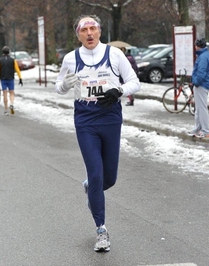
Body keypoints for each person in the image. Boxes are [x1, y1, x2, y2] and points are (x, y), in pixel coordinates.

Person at [55, 14, 140, 252]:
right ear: (78, 34)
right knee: (95, 173)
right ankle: (101, 230)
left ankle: (91, 187)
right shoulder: (71, 59)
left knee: (108, 179)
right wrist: (66, 84)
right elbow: (59, 87)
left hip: (111, 118)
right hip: (85, 120)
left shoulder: (114, 54)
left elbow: (135, 81)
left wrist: (119, 91)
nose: (89, 33)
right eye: (84, 30)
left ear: (100, 32)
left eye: (93, 29)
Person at [187, 38, 209, 138]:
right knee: (199, 108)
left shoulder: (202, 57)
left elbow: (201, 72)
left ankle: (206, 131)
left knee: (201, 108)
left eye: (195, 45)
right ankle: (198, 128)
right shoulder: (207, 55)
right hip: (204, 84)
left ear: (198, 46)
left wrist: (195, 82)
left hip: (201, 85)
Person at [0, 46, 23, 115]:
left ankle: (6, 110)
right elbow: (17, 69)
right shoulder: (13, 60)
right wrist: (20, 78)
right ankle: (12, 103)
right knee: (12, 93)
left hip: (3, 79)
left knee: (5, 94)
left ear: (2, 52)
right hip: (11, 78)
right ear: (9, 52)